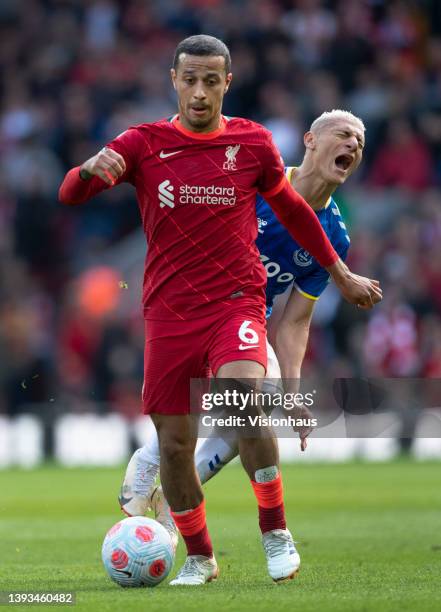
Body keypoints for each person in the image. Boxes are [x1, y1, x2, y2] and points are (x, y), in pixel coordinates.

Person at [59, 35, 381, 585]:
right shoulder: (144, 143)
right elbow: (70, 196)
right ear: (175, 81)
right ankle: (200, 556)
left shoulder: (253, 147)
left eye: (213, 80)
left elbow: (297, 287)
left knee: (249, 404)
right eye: (191, 79)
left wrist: (340, 274)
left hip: (236, 305)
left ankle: (275, 533)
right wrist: (89, 169)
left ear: (227, 83)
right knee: (177, 443)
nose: (201, 91)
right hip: (167, 312)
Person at [119, 107, 371, 555]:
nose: (353, 143)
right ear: (310, 141)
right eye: (343, 133)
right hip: (189, 303)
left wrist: (293, 394)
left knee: (256, 407)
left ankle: (165, 485)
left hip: (244, 314)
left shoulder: (335, 235)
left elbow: (294, 321)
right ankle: (154, 456)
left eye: (360, 141)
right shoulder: (260, 181)